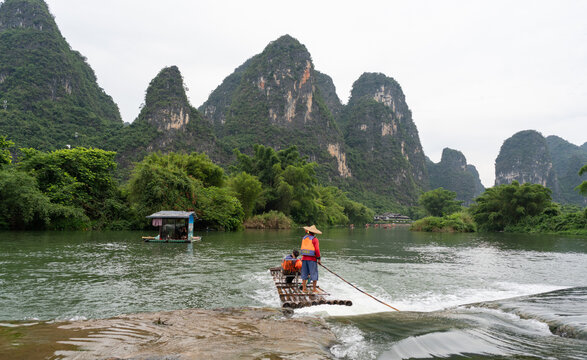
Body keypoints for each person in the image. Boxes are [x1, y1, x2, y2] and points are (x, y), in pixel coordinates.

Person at [300, 225, 322, 293]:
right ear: (314, 232)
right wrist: (319, 259)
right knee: (314, 274)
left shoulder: (304, 238)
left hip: (304, 258)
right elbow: (317, 250)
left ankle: (304, 288)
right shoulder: (315, 239)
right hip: (312, 259)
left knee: (304, 273)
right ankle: (314, 289)